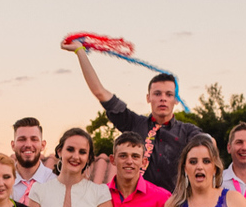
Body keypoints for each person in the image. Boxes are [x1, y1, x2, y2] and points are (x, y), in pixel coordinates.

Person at [61, 39, 200, 193]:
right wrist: (80, 52)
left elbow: (208, 147)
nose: (163, 98)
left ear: (176, 100)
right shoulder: (134, 123)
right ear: (148, 97)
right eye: (157, 93)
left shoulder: (188, 131)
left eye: (169, 94)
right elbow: (100, 92)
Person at [9, 117, 55, 203]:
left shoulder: (55, 182)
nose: (28, 144)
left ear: (43, 145)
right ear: (13, 145)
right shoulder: (2, 183)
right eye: (22, 139)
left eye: (34, 139)